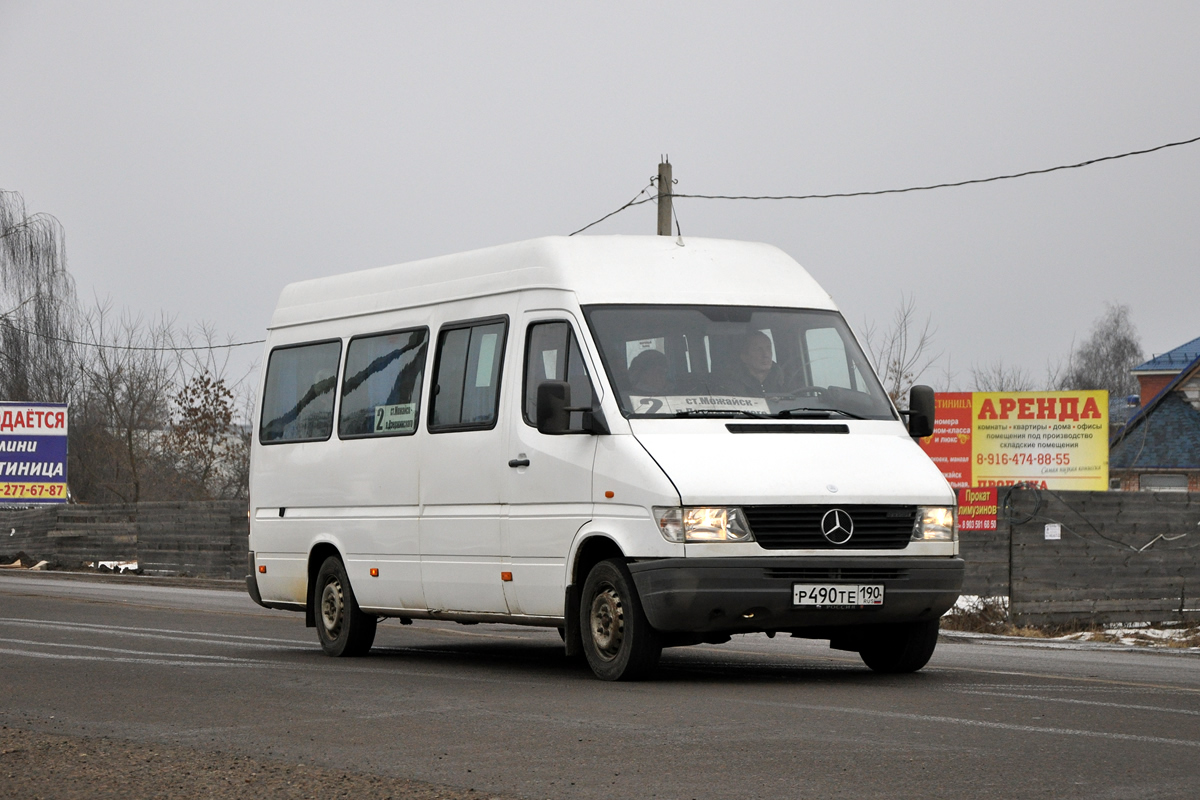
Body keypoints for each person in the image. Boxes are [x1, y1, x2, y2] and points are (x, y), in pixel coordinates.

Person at [719, 330, 787, 395]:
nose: (766, 355)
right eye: (758, 349)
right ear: (744, 357)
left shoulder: (783, 380)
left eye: (768, 348)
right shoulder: (731, 387)